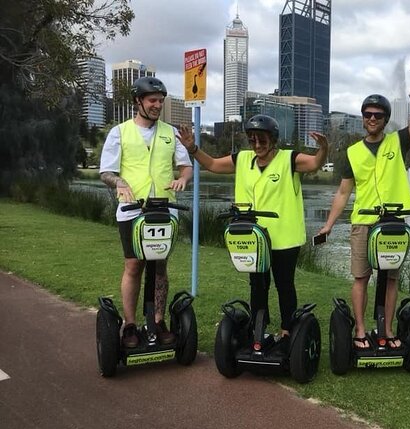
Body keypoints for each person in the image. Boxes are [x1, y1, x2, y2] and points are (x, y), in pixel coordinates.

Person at [317, 51, 410, 350]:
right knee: (361, 278)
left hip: (393, 223)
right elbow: (344, 192)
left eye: (378, 115)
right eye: (368, 115)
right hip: (363, 222)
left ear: (385, 119)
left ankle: (387, 328)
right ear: (363, 118)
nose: (372, 119)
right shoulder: (352, 153)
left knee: (391, 278)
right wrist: (329, 225)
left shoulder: (399, 140)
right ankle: (360, 329)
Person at [183, 114, 328, 340]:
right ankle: (259, 328)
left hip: (284, 237)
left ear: (273, 139)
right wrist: (193, 148)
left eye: (262, 140)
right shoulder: (242, 159)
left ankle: (288, 329)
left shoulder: (289, 159)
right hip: (252, 235)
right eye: (252, 140)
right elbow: (211, 164)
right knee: (257, 285)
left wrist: (324, 148)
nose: (257, 145)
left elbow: (316, 163)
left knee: (284, 284)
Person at [100, 76, 193, 348]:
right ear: (138, 101)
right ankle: (130, 325)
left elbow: (185, 166)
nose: (157, 105)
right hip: (132, 211)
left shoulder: (170, 132)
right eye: (153, 100)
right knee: (134, 265)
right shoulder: (120, 132)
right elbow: (106, 171)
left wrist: (183, 179)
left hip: (164, 210)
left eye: (161, 101)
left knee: (160, 266)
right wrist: (119, 182)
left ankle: (158, 319)